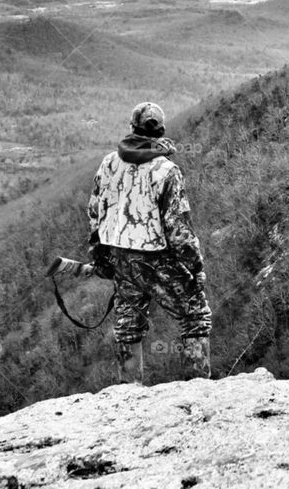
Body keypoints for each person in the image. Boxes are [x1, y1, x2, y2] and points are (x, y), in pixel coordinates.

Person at [86, 102, 211, 383]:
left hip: (119, 256)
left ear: (132, 128)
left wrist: (100, 257)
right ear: (161, 132)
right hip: (156, 258)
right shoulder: (167, 170)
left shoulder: (109, 163)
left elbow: (95, 212)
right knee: (195, 315)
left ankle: (128, 393)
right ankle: (199, 389)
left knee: (128, 323)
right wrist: (195, 269)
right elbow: (179, 230)